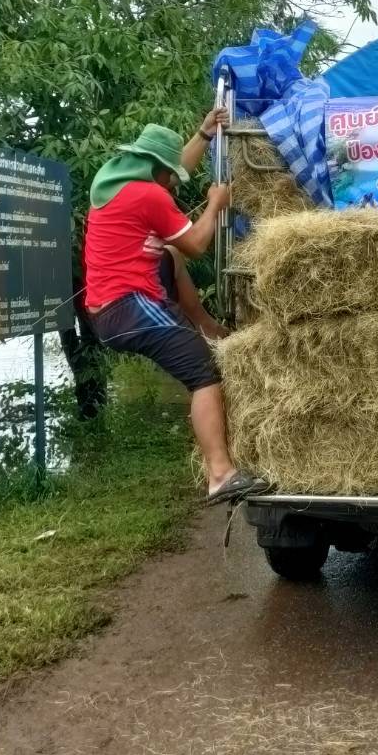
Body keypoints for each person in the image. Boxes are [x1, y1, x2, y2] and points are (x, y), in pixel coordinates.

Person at [83, 117, 260, 505]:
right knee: (204, 372)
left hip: (106, 307)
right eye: (170, 174)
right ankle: (220, 474)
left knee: (170, 255)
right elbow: (196, 243)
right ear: (157, 170)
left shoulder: (113, 180)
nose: (175, 182)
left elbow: (173, 176)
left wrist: (204, 134)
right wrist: (215, 205)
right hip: (129, 307)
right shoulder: (149, 196)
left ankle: (206, 325)